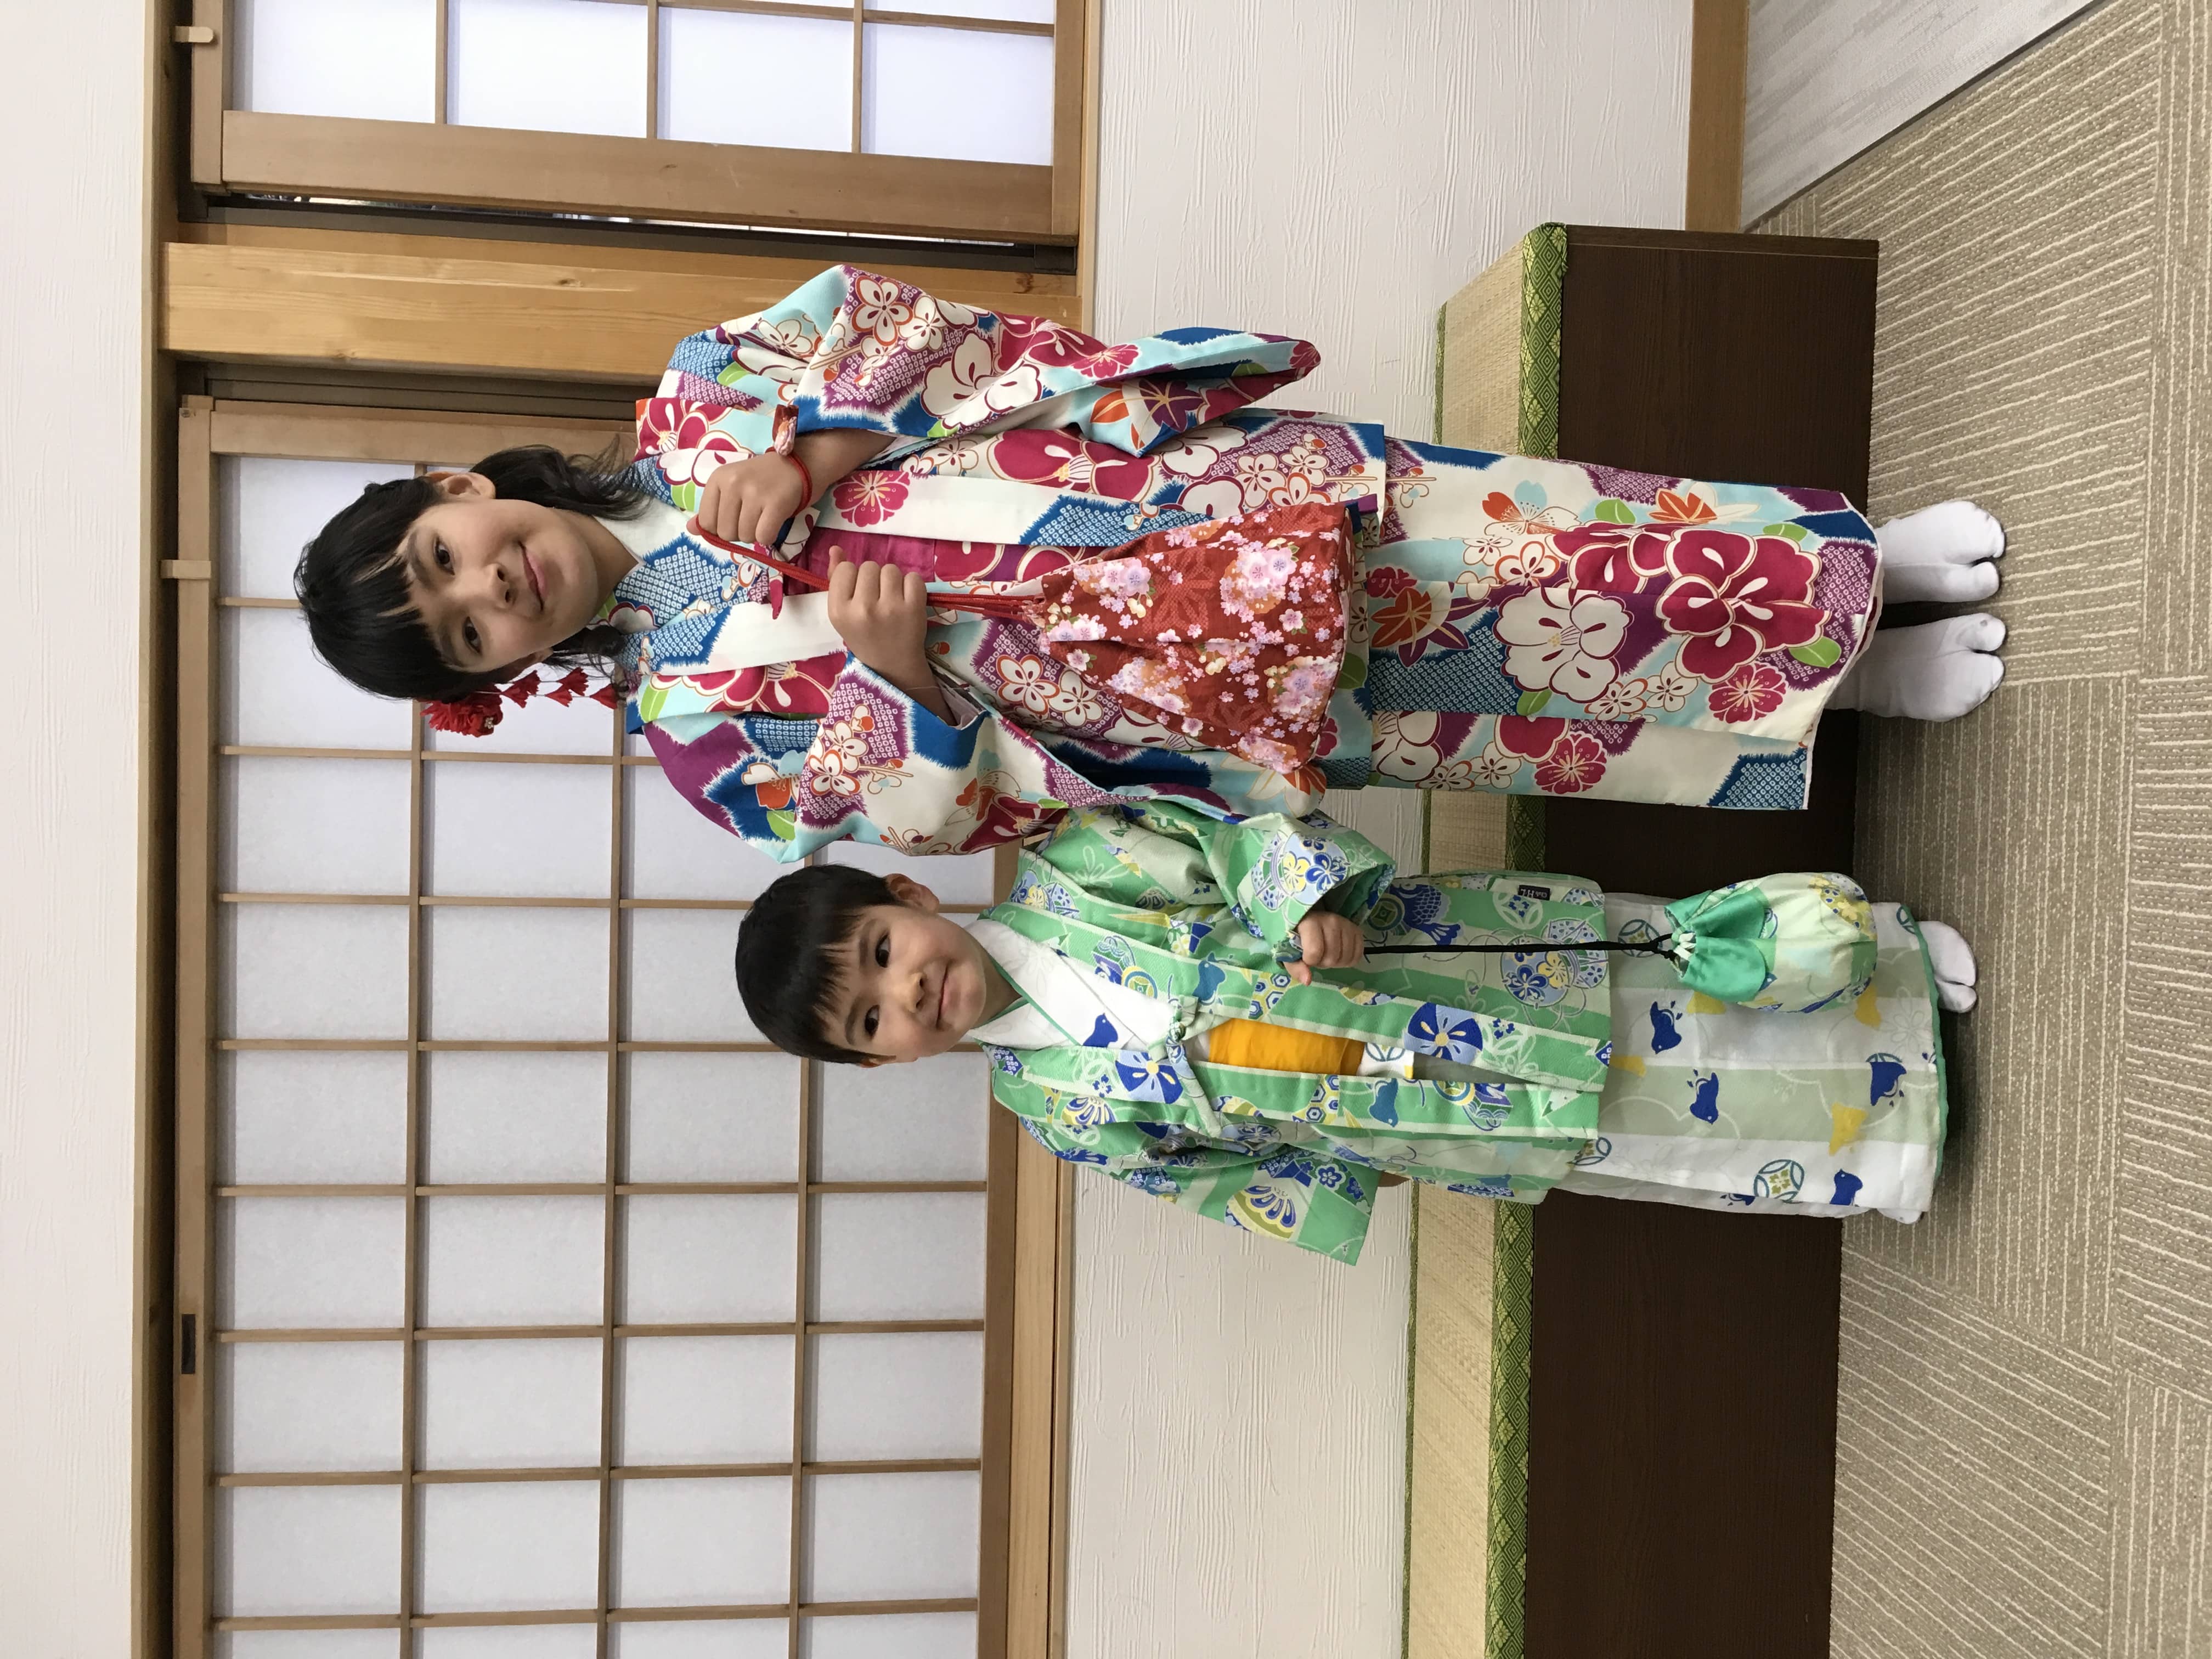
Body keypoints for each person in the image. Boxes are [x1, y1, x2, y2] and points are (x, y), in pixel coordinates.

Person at [295, 264, 2008, 863]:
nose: (488, 588)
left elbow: (904, 323)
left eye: (447, 554)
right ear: (494, 679)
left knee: (1530, 534)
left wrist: (805, 450)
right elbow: (934, 825)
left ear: (457, 487)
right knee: (1507, 690)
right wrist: (902, 693)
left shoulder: (701, 398)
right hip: (1178, 691)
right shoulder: (698, 738)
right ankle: (1836, 698)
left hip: (1188, 504)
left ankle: (1855, 562)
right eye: (461, 631)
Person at [732, 800, 1970, 1263]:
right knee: (1646, 1127)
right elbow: (1204, 1173)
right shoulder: (1049, 1107)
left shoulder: (1082, 864)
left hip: (1411, 971)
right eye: (871, 1020)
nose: (908, 994)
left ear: (909, 895)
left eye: (883, 953)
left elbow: (1228, 840)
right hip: (1395, 1107)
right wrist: (1353, 1163)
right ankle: (1884, 1137)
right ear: (878, 1062)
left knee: (1648, 980)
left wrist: (1302, 904)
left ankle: (1886, 971)